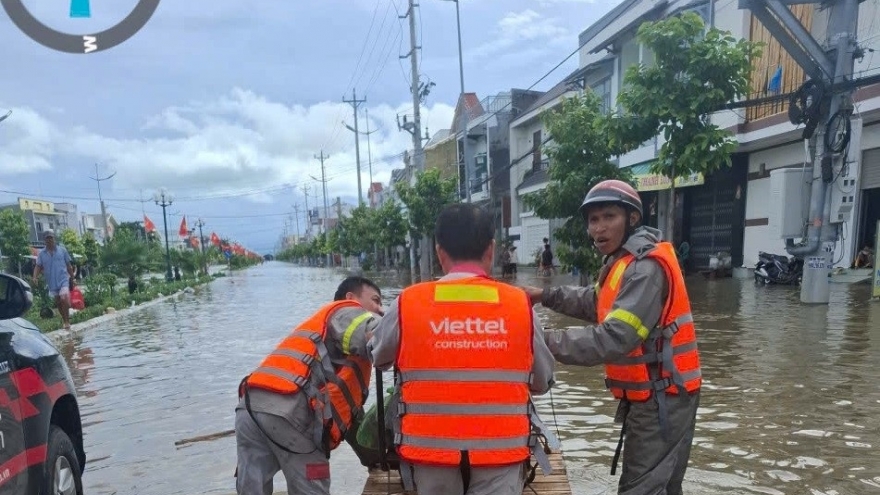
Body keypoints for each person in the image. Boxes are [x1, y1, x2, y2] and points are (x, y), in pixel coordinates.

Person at [522, 179, 701, 495]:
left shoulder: (645, 269)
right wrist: (543, 295)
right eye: (593, 220)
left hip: (664, 398)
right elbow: (597, 303)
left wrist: (539, 340)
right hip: (660, 394)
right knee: (663, 486)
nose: (599, 228)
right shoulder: (623, 262)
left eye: (609, 217)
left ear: (632, 219)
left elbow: (615, 337)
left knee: (640, 489)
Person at [369, 203, 557, 495]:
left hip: (429, 452)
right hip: (501, 452)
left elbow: (378, 358)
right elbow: (543, 380)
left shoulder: (409, 301)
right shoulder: (519, 304)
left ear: (439, 251)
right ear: (491, 249)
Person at [235, 276, 384, 495]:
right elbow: (376, 334)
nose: (380, 309)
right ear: (351, 297)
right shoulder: (347, 311)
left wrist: (373, 456)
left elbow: (349, 415)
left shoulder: (318, 333)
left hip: (249, 408)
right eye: (375, 301)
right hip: (293, 414)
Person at [32, 230, 75, 330]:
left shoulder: (62, 250)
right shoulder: (42, 254)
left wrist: (73, 278)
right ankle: (64, 320)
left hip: (63, 278)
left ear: (54, 239)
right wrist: (35, 277)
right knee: (58, 302)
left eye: (51, 238)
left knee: (64, 298)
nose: (49, 240)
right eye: (47, 238)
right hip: (51, 281)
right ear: (44, 240)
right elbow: (38, 266)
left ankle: (67, 321)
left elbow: (69, 265)